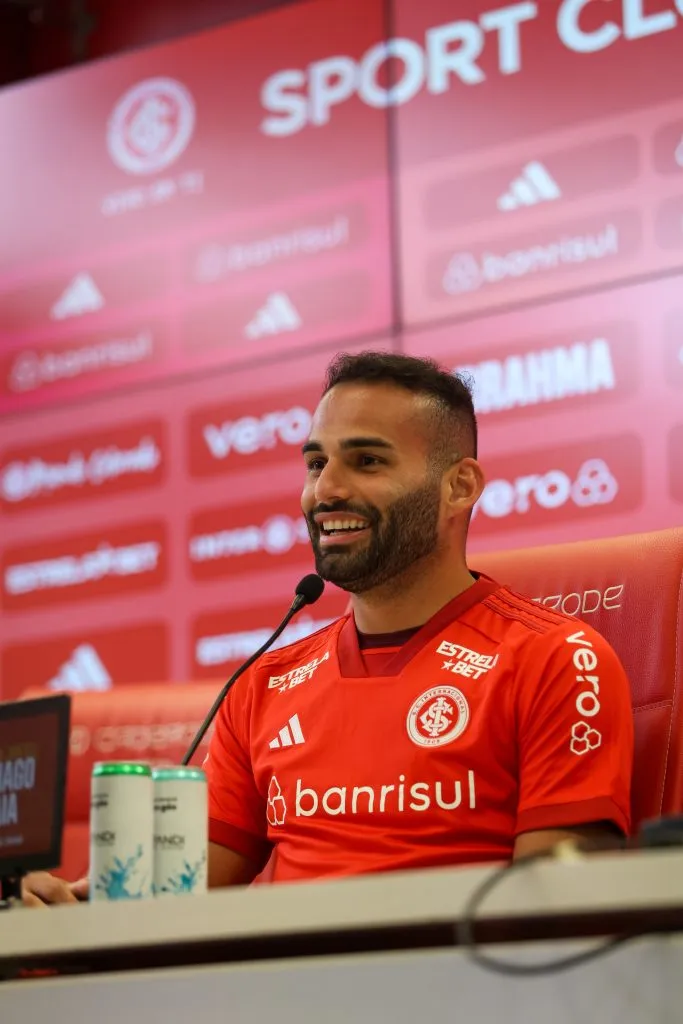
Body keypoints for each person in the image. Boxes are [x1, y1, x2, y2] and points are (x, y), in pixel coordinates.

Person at [23, 351, 633, 903]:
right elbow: (180, 901)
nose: (327, 490)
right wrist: (79, 910)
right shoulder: (263, 685)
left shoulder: (556, 660)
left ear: (459, 486)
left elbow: (558, 920)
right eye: (316, 462)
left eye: (367, 461)